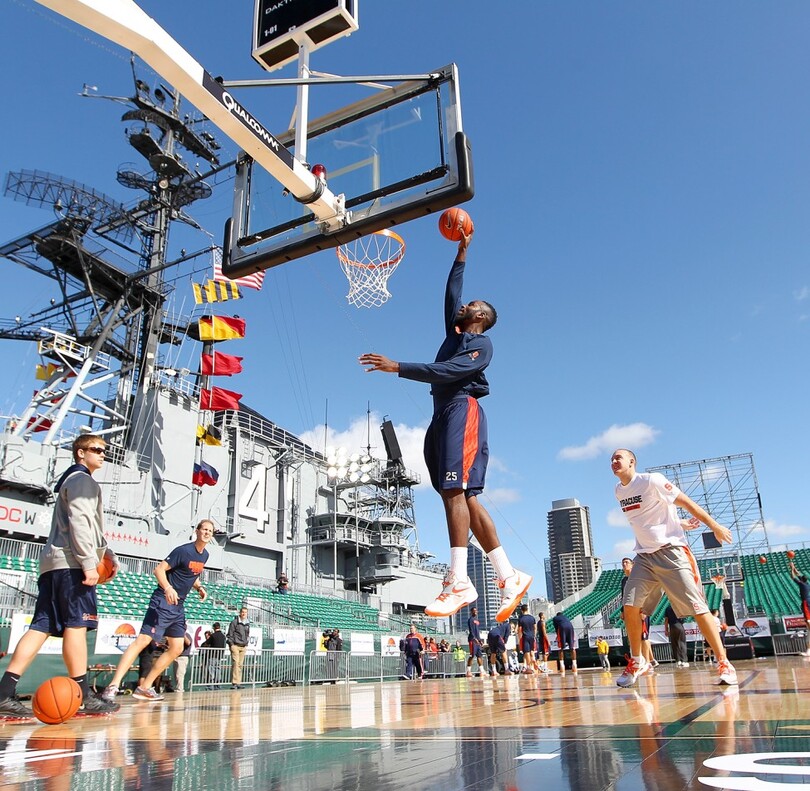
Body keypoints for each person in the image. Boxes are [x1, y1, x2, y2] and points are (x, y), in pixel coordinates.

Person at [358, 231, 531, 621]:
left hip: (461, 410)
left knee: (456, 489)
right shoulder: (455, 334)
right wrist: (462, 254)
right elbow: (451, 295)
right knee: (462, 497)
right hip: (442, 414)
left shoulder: (480, 346)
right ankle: (508, 574)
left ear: (480, 317)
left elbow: (450, 371)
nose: (463, 306)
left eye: (471, 306)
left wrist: (398, 367)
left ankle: (459, 580)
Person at [0, 434, 120, 717]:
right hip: (72, 565)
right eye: (96, 449)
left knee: (40, 627)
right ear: (80, 453)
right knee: (76, 626)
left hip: (54, 565)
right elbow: (81, 521)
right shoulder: (82, 480)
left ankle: (4, 692)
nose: (103, 454)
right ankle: (83, 696)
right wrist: (89, 563)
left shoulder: (69, 479)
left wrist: (106, 552)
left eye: (105, 450)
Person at [611, 448, 738, 687]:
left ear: (632, 462)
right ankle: (638, 661)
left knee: (698, 608)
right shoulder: (619, 491)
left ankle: (724, 662)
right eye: (612, 459)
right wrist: (679, 522)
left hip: (671, 552)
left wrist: (715, 526)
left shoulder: (652, 480)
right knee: (630, 607)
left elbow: (686, 501)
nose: (614, 461)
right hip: (644, 557)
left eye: (619, 457)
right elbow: (650, 517)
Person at [102, 520, 212, 702]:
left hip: (178, 606)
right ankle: (113, 686)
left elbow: (190, 574)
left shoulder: (205, 555)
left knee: (177, 648)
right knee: (143, 640)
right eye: (204, 529)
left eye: (210, 531)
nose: (207, 533)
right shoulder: (183, 551)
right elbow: (159, 570)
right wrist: (168, 588)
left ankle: (144, 687)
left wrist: (199, 587)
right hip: (163, 600)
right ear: (197, 531)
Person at [789, 560, 810, 656]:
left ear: (802, 580)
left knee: (808, 622)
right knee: (808, 628)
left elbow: (793, 576)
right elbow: (798, 574)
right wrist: (793, 567)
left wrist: (791, 568)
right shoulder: (807, 583)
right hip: (808, 602)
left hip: (806, 603)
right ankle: (808, 651)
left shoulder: (802, 584)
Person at [227, 606, 251, 689]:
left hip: (243, 646)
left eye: (245, 612)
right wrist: (231, 644)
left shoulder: (247, 623)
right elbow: (230, 634)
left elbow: (247, 634)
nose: (244, 614)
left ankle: (238, 682)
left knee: (240, 665)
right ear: (240, 613)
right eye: (243, 612)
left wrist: (246, 643)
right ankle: (234, 682)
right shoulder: (234, 622)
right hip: (235, 645)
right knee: (235, 664)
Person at [201, 622, 226, 688]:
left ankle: (211, 685)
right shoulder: (223, 636)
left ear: (214, 628)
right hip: (219, 655)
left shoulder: (213, 635)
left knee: (211, 669)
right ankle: (218, 685)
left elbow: (207, 643)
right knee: (218, 669)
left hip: (212, 655)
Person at [517, 604, 538, 674]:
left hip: (525, 636)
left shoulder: (521, 619)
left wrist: (520, 638)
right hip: (532, 636)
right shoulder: (532, 618)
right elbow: (535, 627)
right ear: (527, 609)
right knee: (532, 650)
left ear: (522, 610)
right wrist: (534, 635)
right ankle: (534, 659)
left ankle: (529, 667)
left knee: (527, 652)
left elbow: (519, 630)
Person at [466, 606, 484, 678]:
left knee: (479, 655)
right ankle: (468, 671)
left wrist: (480, 640)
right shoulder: (470, 620)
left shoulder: (477, 620)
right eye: (474, 611)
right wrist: (474, 638)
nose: (476, 612)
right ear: (471, 612)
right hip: (472, 640)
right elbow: (471, 630)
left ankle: (482, 671)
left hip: (477, 641)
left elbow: (477, 631)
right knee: (472, 655)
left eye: (476, 610)